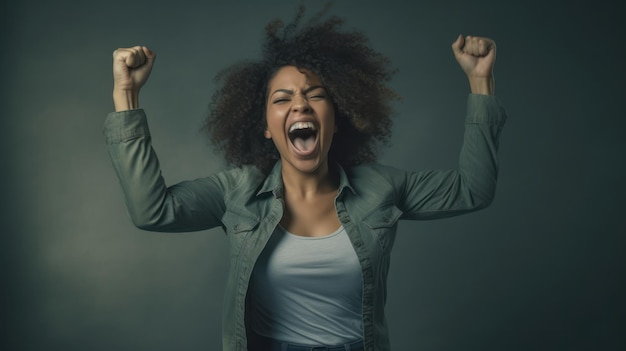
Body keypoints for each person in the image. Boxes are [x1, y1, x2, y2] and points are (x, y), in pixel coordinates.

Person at [104, 6, 506, 351]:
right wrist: (127, 96)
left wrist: (480, 81)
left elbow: (473, 189)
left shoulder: (382, 187)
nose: (300, 104)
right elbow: (151, 211)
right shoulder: (237, 192)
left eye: (315, 95)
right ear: (265, 126)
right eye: (282, 99)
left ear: (336, 116)